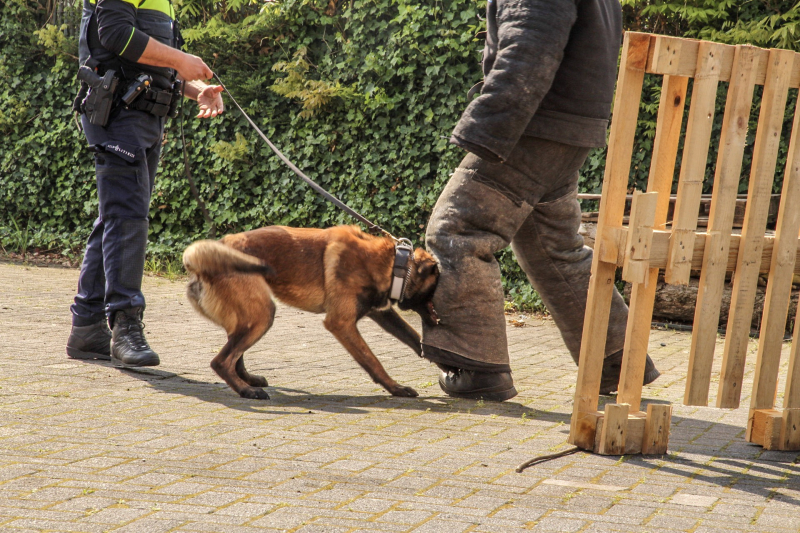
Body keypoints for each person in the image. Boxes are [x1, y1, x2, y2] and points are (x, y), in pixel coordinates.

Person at [421, 0, 660, 401]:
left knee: (457, 231)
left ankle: (477, 369)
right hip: (571, 128)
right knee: (554, 249)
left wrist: (485, 127)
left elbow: (529, 46)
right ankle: (615, 363)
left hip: (534, 125)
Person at [65, 0, 224, 367]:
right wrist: (181, 60)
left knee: (116, 218)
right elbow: (116, 35)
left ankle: (87, 327)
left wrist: (196, 87)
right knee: (127, 218)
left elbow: (156, 62)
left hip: (146, 117)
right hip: (120, 115)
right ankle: (126, 324)